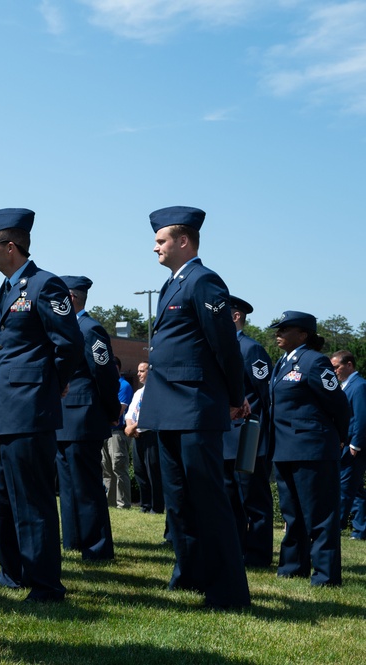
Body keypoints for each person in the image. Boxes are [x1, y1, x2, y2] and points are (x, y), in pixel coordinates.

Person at [136, 205, 250, 609]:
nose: (155, 248)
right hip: (167, 408)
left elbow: (225, 347)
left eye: (161, 240)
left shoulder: (203, 281)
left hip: (195, 407)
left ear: (183, 241)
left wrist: (236, 398)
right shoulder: (172, 284)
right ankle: (189, 575)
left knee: (207, 500)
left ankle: (228, 590)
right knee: (179, 502)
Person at [0, 208, 82, 602]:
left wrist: (51, 384)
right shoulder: (6, 289)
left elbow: (69, 343)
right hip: (3, 406)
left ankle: (45, 582)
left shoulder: (44, 285)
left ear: (10, 246)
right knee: (2, 494)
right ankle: (11, 570)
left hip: (29, 406)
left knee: (32, 497)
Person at [269, 311, 350, 585]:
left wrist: (339, 436)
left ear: (303, 335)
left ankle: (326, 575)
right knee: (292, 514)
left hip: (312, 449)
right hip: (285, 448)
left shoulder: (314, 362)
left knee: (319, 516)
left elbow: (338, 404)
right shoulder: (283, 362)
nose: (278, 333)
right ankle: (293, 567)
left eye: (284, 329)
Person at [56, 276, 121, 561]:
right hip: (64, 419)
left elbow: (106, 375)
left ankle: (97, 548)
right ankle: (73, 540)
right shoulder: (69, 328)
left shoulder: (89, 329)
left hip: (83, 417)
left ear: (72, 299)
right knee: (69, 486)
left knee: (87, 487)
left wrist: (109, 411)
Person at [222, 296, 274, 568]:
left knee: (253, 499)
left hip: (247, 435)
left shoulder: (251, 349)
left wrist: (261, 435)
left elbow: (266, 396)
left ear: (235, 317)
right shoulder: (220, 347)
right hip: (224, 435)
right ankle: (236, 550)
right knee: (230, 500)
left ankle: (258, 555)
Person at [331, 350, 366, 535]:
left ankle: (337, 526)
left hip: (354, 448)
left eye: (337, 366)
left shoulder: (358, 386)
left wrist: (355, 445)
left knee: (344, 489)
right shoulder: (345, 385)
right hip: (346, 445)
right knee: (357, 490)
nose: (334, 370)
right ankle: (360, 529)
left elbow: (361, 417)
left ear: (349, 365)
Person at [125, 362, 163, 514]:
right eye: (138, 371)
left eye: (142, 371)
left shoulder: (157, 391)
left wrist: (131, 428)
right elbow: (130, 413)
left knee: (153, 472)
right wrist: (130, 427)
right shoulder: (138, 393)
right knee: (140, 471)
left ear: (150, 372)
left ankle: (157, 507)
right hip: (137, 435)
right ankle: (145, 505)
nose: (138, 374)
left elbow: (150, 414)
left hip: (150, 434)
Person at [102, 357, 134, 508]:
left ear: (118, 368)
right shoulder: (106, 385)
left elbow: (118, 413)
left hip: (116, 434)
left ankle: (123, 504)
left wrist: (105, 416)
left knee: (119, 468)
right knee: (106, 470)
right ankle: (109, 504)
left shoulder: (124, 385)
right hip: (104, 431)